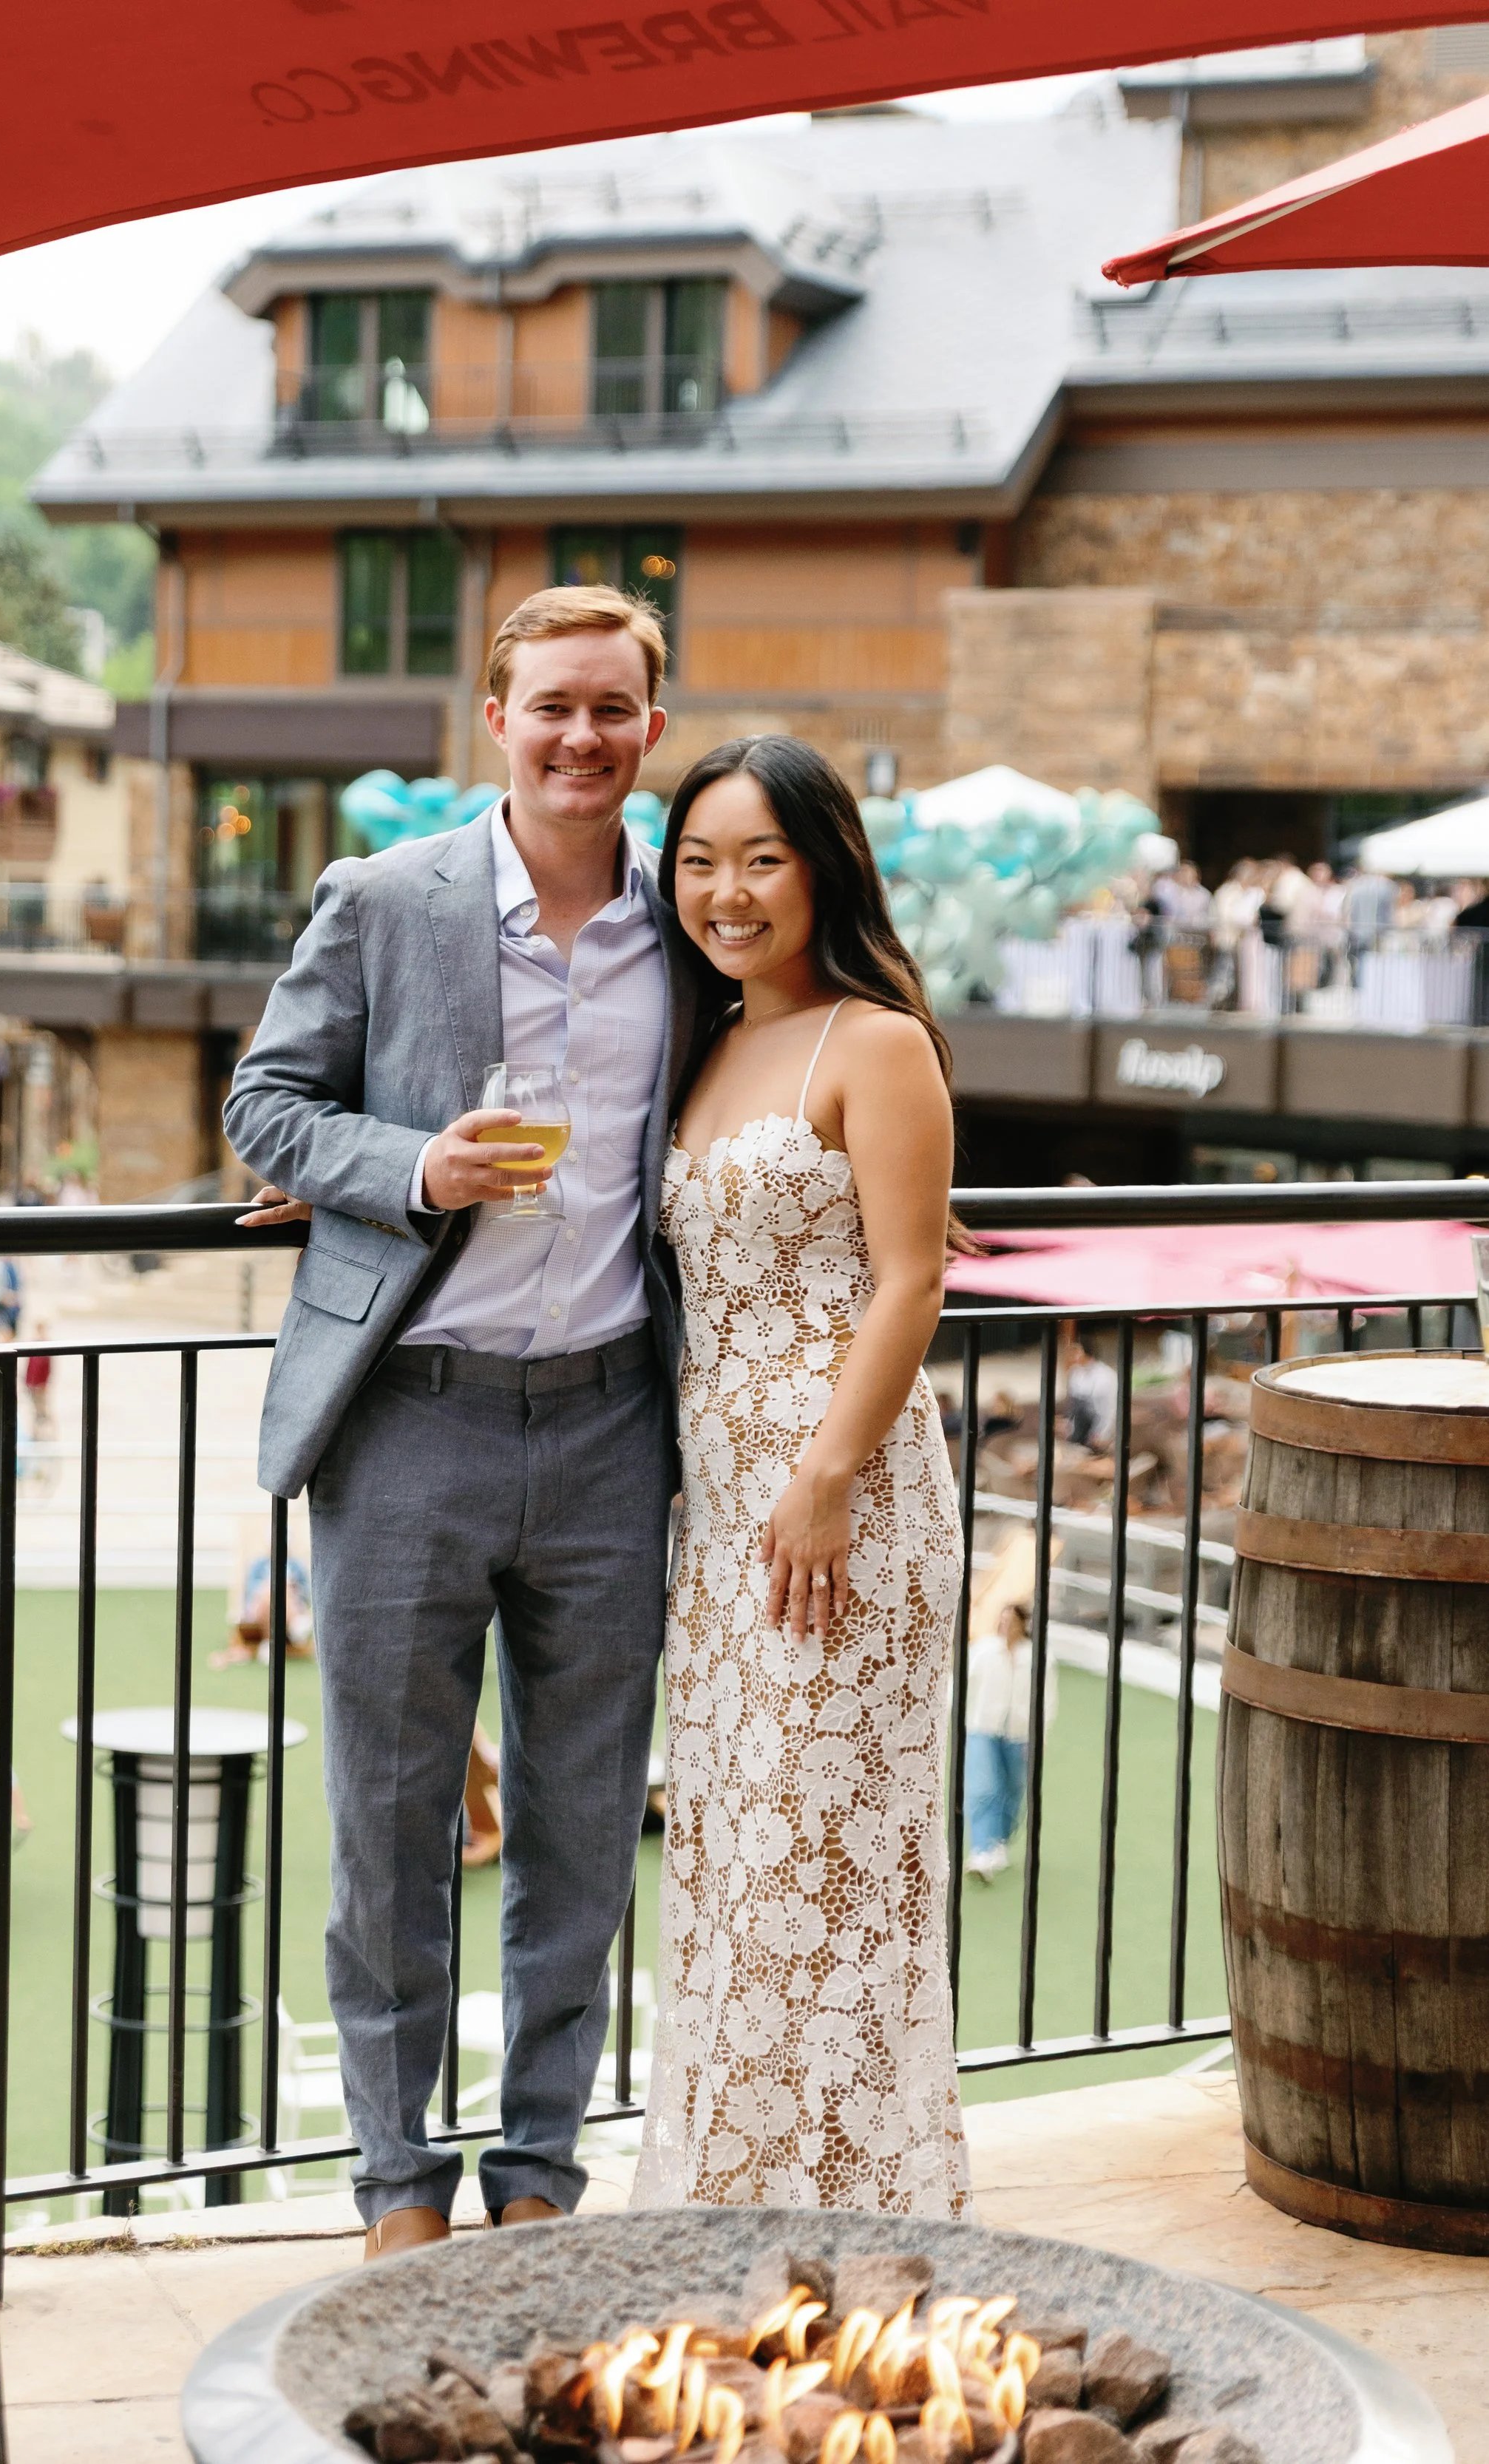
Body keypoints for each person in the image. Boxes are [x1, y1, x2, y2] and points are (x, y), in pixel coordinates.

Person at [223, 585, 702, 2259]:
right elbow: (262, 1106)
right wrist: (411, 1165)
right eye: (552, 704)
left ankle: (537, 2179)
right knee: (391, 1832)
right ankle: (394, 2190)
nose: (583, 736)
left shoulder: (693, 928)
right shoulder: (383, 898)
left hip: (609, 1425)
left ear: (654, 729)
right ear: (493, 716)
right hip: (406, 1424)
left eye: (615, 710)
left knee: (579, 1832)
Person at [628, 733, 970, 2218]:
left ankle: (849, 2205)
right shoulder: (697, 1039)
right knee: (729, 1845)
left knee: (823, 1853)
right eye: (698, 859)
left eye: (758, 856)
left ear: (821, 861)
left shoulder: (871, 1041)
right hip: (715, 1514)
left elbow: (909, 1279)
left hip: (844, 1501)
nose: (726, 889)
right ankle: (726, 2187)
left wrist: (827, 1474)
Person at [963, 1601, 1056, 1880]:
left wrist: (1041, 1735)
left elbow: (1047, 1700)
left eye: (1010, 1621)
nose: (1005, 1626)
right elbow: (961, 1684)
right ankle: (981, 1849)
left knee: (1013, 1790)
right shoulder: (983, 1651)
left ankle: (999, 1840)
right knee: (983, 1786)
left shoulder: (1038, 1657)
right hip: (983, 1728)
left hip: (1019, 1734)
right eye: (1001, 1620)